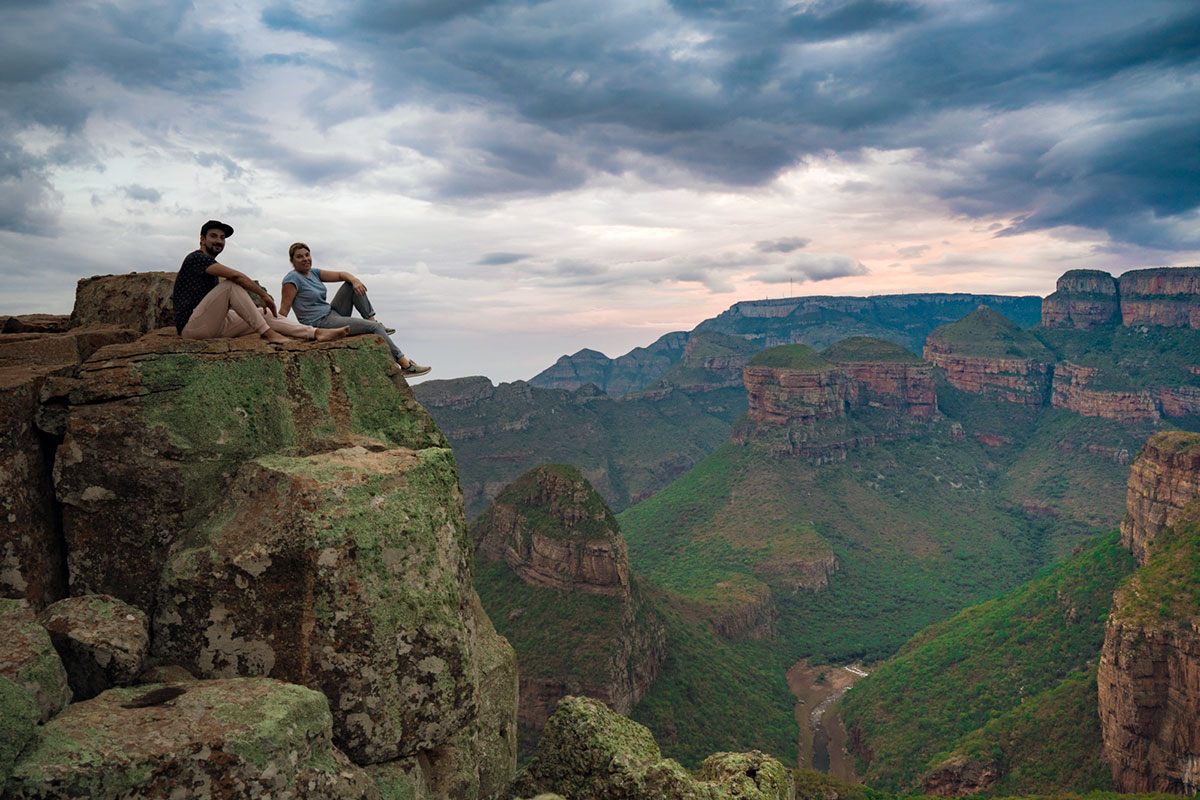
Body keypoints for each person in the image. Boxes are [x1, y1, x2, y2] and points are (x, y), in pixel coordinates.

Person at [173, 220, 350, 345]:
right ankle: (268, 334)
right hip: (192, 327)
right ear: (202, 239)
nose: (219, 241)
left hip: (215, 325)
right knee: (230, 286)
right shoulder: (196, 258)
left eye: (222, 238)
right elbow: (236, 277)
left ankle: (316, 333)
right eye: (213, 236)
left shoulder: (209, 263)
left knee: (264, 313)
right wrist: (263, 294)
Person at [279, 242, 431, 376]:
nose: (305, 259)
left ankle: (372, 320)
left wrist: (355, 280)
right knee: (374, 328)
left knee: (351, 285)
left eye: (307, 255)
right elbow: (284, 310)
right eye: (299, 257)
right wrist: (277, 332)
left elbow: (341, 274)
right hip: (320, 323)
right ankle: (406, 365)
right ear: (292, 261)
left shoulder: (313, 273)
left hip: (332, 313)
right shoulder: (291, 280)